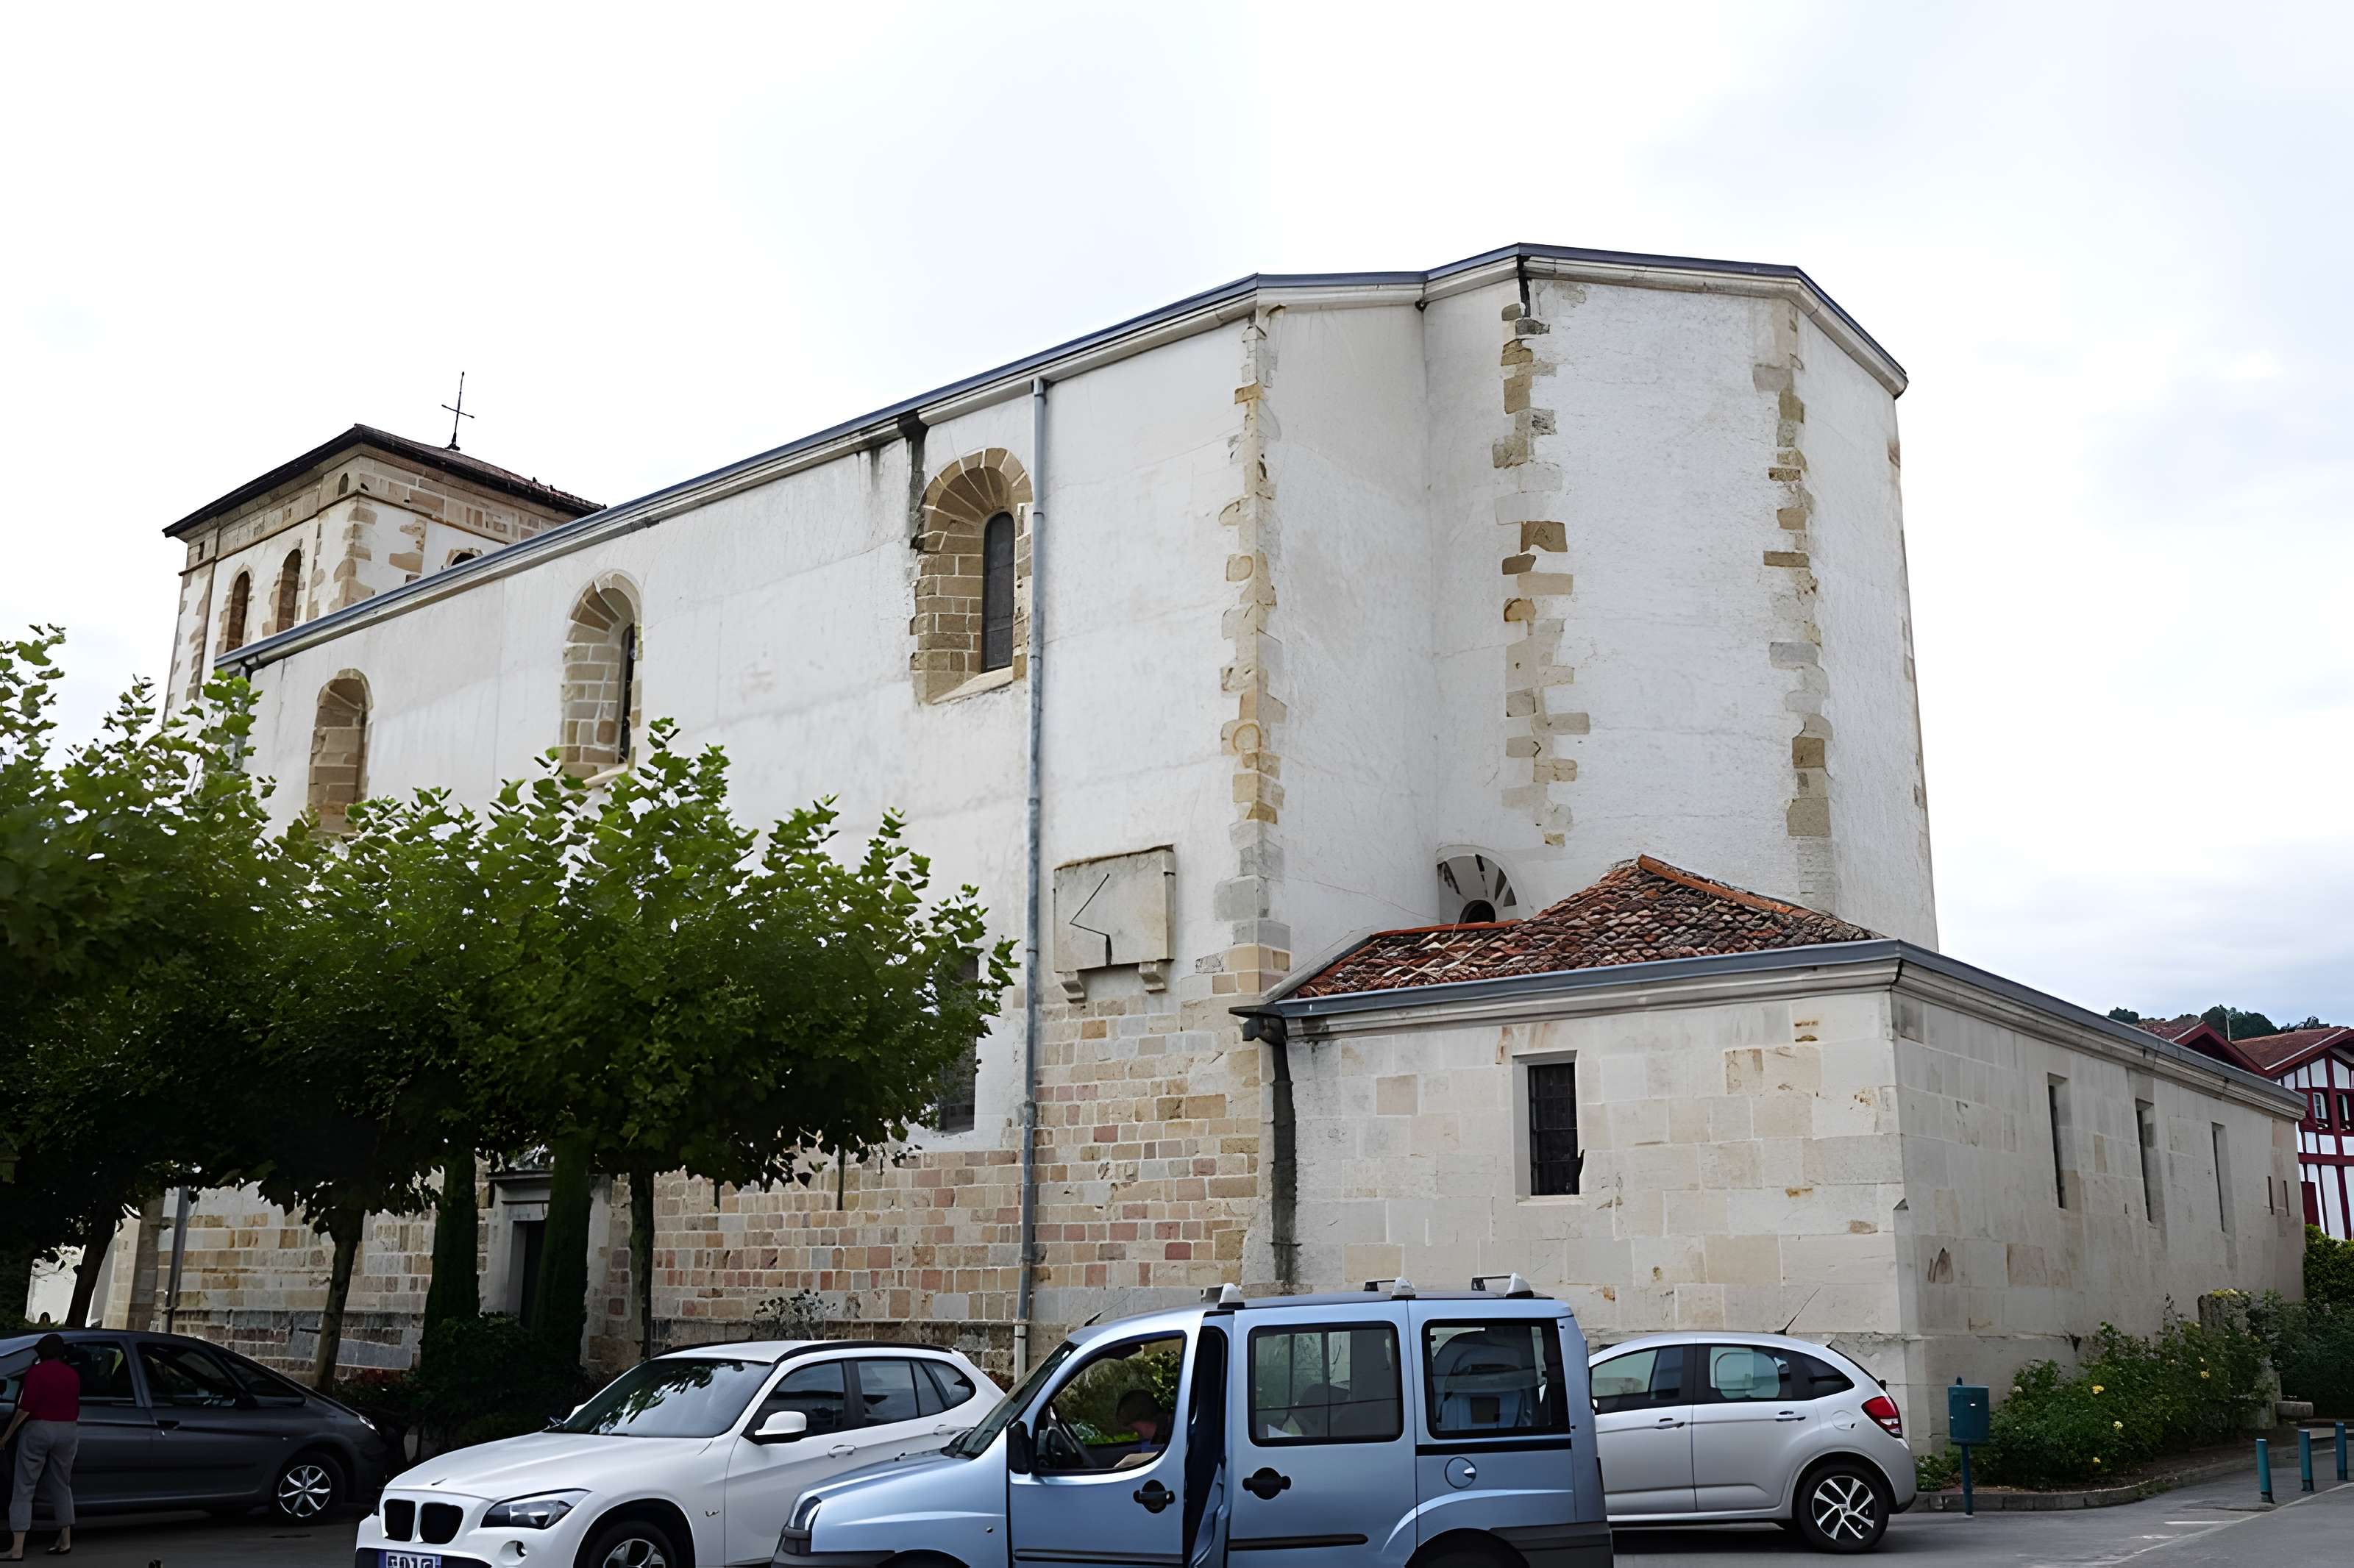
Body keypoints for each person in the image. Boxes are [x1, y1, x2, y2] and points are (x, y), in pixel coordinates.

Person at [2, 1334, 79, 1558]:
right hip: (68, 1430)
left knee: (24, 1486)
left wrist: (7, 1436)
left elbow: (25, 1409)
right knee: (62, 1484)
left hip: (39, 1429)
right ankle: (65, 1540)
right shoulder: (73, 1375)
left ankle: (17, 1548)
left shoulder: (35, 1373)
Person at [1110, 1389, 1168, 1472]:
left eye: (1137, 1431)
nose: (1139, 1438)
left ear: (1147, 1420)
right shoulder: (1160, 1435)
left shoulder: (1178, 1436)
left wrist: (1130, 1461)